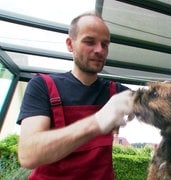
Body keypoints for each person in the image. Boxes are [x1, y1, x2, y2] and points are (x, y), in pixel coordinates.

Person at [17, 12, 133, 179]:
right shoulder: (43, 85)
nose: (99, 50)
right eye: (89, 42)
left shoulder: (117, 92)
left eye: (105, 44)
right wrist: (97, 122)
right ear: (70, 44)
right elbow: (28, 155)